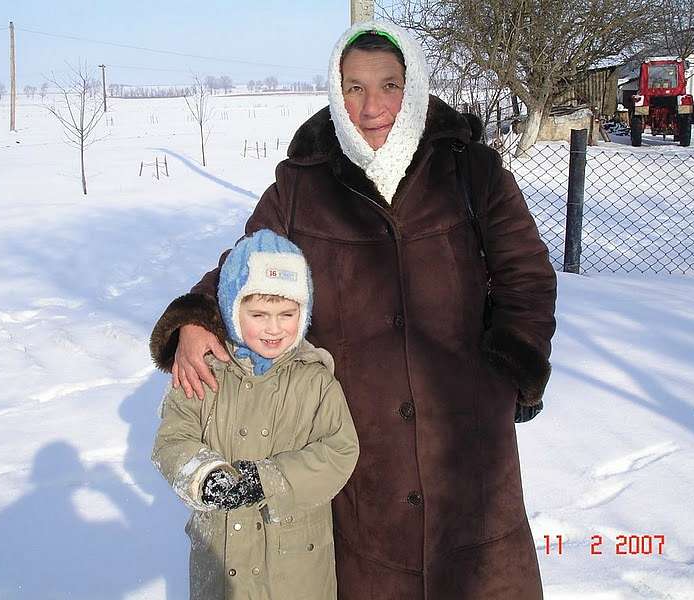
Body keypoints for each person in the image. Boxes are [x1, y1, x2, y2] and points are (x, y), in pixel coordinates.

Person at [150, 20, 556, 599]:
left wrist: (509, 370)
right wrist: (195, 319)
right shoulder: (303, 186)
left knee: (482, 578)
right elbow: (246, 266)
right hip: (360, 442)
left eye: (389, 85)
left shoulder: (471, 170)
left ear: (412, 88)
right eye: (354, 88)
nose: (372, 107)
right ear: (336, 93)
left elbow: (527, 275)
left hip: (465, 432)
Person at [152, 229, 359, 600]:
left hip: (297, 572)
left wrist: (269, 480)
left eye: (287, 314)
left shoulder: (315, 380)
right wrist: (204, 475)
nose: (274, 328)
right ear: (233, 310)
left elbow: (340, 450)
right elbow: (172, 439)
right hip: (222, 559)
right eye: (259, 314)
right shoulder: (206, 372)